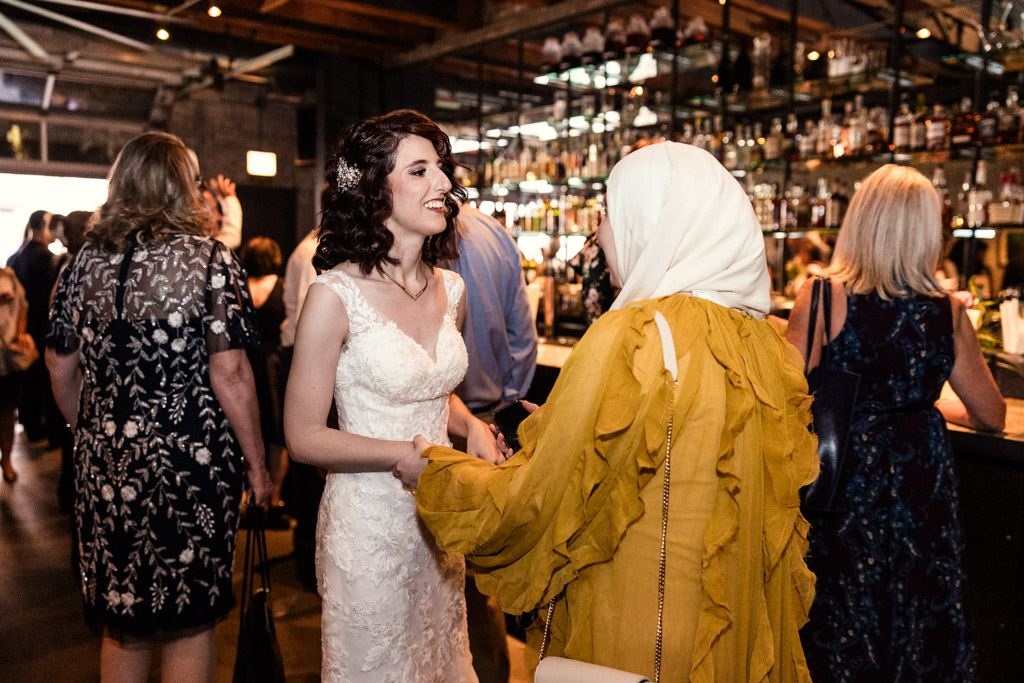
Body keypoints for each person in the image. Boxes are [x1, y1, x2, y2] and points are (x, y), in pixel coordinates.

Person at [413, 142, 819, 681]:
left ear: (654, 220)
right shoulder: (760, 341)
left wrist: (439, 474)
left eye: (608, 211)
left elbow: (533, 502)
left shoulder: (635, 334)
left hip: (637, 617)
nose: (599, 231)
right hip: (724, 625)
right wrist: (572, 424)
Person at [283, 109, 504, 682]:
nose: (445, 185)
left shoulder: (450, 288)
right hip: (369, 527)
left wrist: (469, 427)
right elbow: (303, 436)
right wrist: (401, 457)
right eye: (420, 170)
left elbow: (428, 393)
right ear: (376, 190)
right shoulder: (334, 295)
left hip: (438, 522)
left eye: (443, 169)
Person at [45, 132, 271, 683]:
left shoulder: (81, 266)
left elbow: (59, 366)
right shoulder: (210, 262)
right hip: (188, 463)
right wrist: (259, 465)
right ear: (182, 188)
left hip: (105, 467)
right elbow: (232, 374)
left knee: (123, 620)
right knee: (188, 620)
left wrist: (90, 429)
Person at [785, 164, 1006, 682]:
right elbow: (990, 414)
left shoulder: (821, 298)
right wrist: (919, 402)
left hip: (841, 479)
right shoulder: (947, 311)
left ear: (859, 221)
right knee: (917, 607)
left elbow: (787, 394)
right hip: (919, 484)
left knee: (839, 608)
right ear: (928, 231)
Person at [441, 204, 538, 683]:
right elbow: (524, 337)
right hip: (491, 417)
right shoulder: (496, 234)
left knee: (452, 576)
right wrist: (507, 407)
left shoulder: (419, 236)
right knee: (483, 576)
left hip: (445, 425)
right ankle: (493, 673)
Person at [277, 229, 322, 590]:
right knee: (310, 472)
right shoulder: (312, 253)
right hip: (301, 355)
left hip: (299, 352)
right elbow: (312, 319)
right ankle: (307, 559)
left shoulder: (306, 249)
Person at [240, 236, 289, 514]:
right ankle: (275, 497)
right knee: (276, 433)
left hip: (245, 361)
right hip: (274, 364)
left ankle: (250, 496)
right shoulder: (281, 286)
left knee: (247, 427)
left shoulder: (239, 288)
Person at [7, 209, 58, 441]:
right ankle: (38, 426)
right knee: (40, 379)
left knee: (24, 381)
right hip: (39, 328)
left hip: (18, 332)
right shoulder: (47, 258)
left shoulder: (15, 257)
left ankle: (29, 422)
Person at [0, 267, 29, 483]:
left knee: (7, 410)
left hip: (6, 357)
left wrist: (19, 334)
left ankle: (7, 459)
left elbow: (22, 308)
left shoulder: (9, 277)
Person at [201, 173, 243, 250]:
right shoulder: (201, 249)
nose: (220, 217)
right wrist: (230, 198)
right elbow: (230, 238)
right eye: (214, 209)